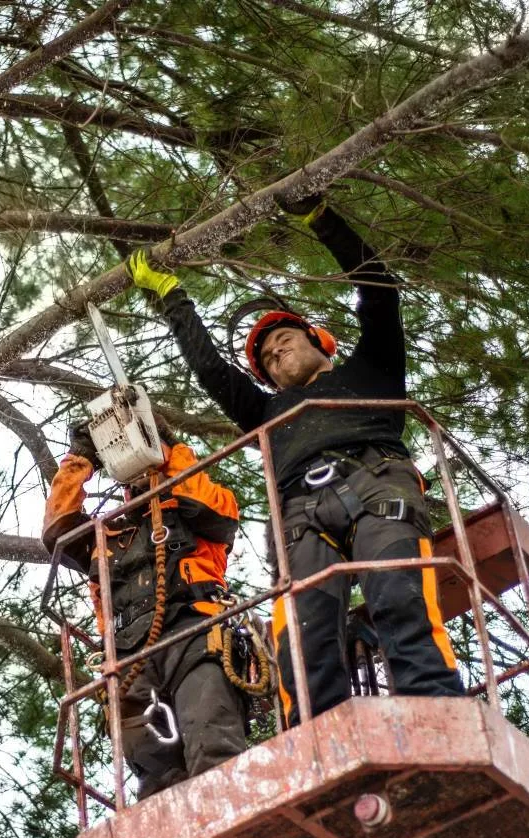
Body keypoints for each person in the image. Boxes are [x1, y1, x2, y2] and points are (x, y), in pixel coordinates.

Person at [125, 192, 463, 728]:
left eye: (282, 339)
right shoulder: (264, 410)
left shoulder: (372, 370)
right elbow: (212, 371)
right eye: (266, 358)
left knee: (399, 594)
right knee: (302, 633)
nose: (274, 352)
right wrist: (173, 298)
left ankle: (440, 714)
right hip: (302, 513)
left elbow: (378, 289)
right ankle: (316, 732)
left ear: (320, 342)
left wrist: (322, 218)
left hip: (377, 483)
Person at [43, 422, 248, 798]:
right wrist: (81, 460)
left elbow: (207, 507)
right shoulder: (106, 534)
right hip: (128, 658)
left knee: (212, 739)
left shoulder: (196, 509)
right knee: (153, 776)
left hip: (195, 634)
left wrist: (171, 446)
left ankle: (231, 817)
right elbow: (57, 530)